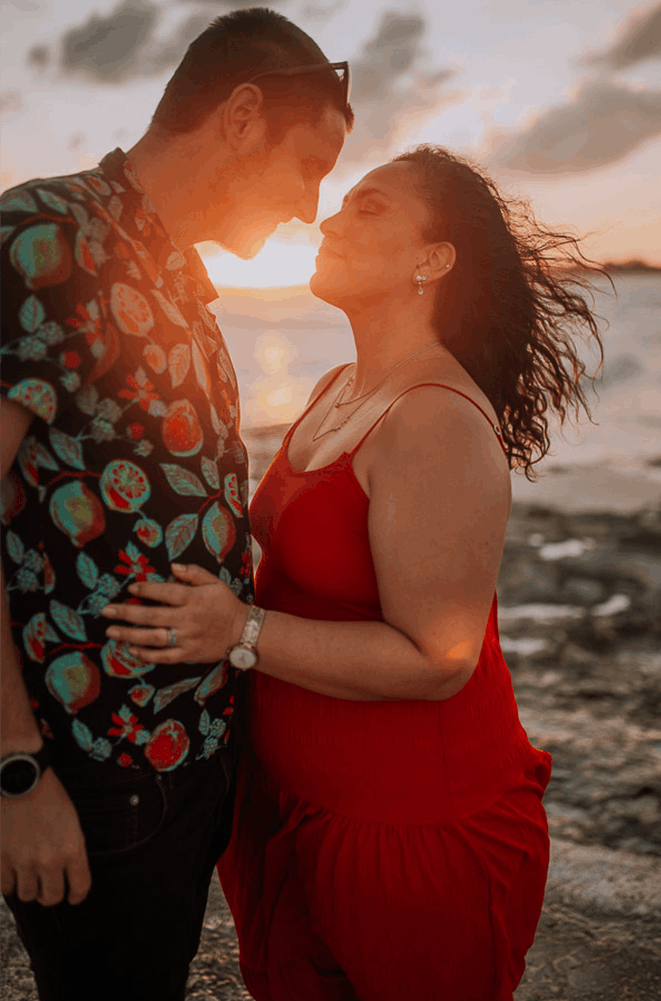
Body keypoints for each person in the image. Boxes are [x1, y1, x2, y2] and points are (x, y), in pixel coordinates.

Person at [98, 143, 605, 1001]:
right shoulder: (340, 384)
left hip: (412, 829)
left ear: (432, 259)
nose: (330, 217)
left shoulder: (435, 418)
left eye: (368, 208)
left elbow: (439, 657)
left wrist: (237, 630)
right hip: (289, 805)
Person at [0, 9, 350, 998]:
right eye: (308, 165)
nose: (310, 206)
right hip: (90, 770)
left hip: (193, 760)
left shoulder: (176, 268)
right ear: (243, 115)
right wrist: (15, 772)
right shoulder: (44, 236)